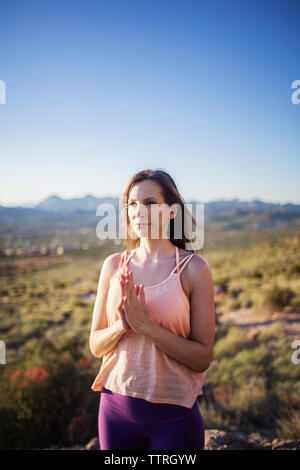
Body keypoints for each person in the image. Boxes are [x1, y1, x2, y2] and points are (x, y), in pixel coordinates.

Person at [89, 169, 215, 450]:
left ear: (171, 212)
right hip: (114, 410)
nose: (138, 211)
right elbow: (96, 346)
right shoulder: (112, 266)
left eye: (149, 203)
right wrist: (122, 325)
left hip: (174, 418)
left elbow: (202, 357)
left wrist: (146, 327)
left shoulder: (194, 270)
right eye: (132, 204)